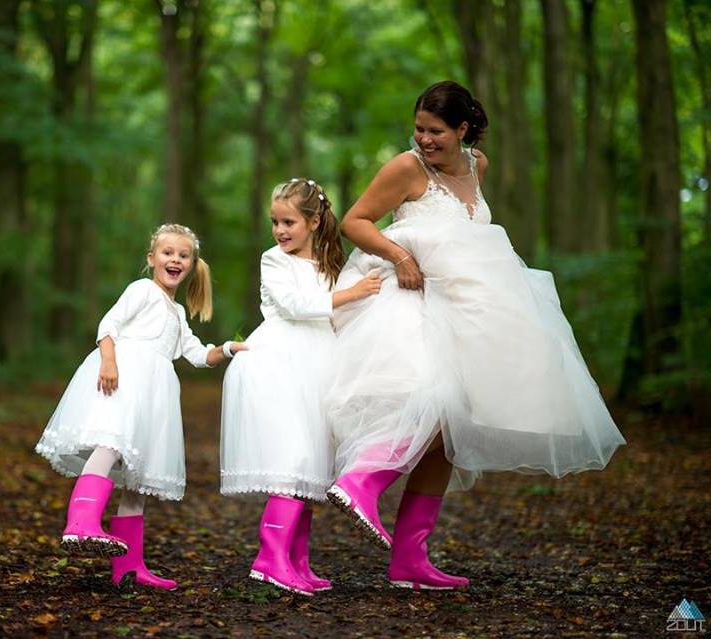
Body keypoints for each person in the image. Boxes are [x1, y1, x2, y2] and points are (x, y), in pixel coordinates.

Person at [326, 81, 626, 590]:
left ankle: (409, 561)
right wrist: (401, 257)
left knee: (453, 430)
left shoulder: (478, 165)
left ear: (463, 129)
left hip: (471, 313)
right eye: (419, 128)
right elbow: (353, 221)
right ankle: (363, 481)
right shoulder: (405, 168)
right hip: (415, 301)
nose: (424, 139)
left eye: (436, 131)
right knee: (435, 405)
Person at [36, 224, 246, 591]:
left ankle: (128, 567)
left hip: (156, 392)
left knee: (139, 480)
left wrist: (228, 349)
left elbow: (197, 355)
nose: (175, 260)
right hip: (126, 375)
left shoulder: (178, 313)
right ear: (151, 259)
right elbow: (108, 325)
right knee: (111, 442)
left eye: (183, 255)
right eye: (167, 253)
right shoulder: (143, 290)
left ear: (192, 265)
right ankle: (81, 519)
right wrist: (109, 362)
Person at [221, 179, 381, 596]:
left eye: (288, 221)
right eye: (275, 222)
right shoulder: (273, 261)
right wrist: (351, 294)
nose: (280, 230)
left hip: (318, 365)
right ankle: (269, 557)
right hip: (279, 362)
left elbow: (337, 315)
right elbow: (295, 306)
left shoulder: (329, 263)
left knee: (311, 465)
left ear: (313, 221)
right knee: (292, 460)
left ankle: (298, 561)